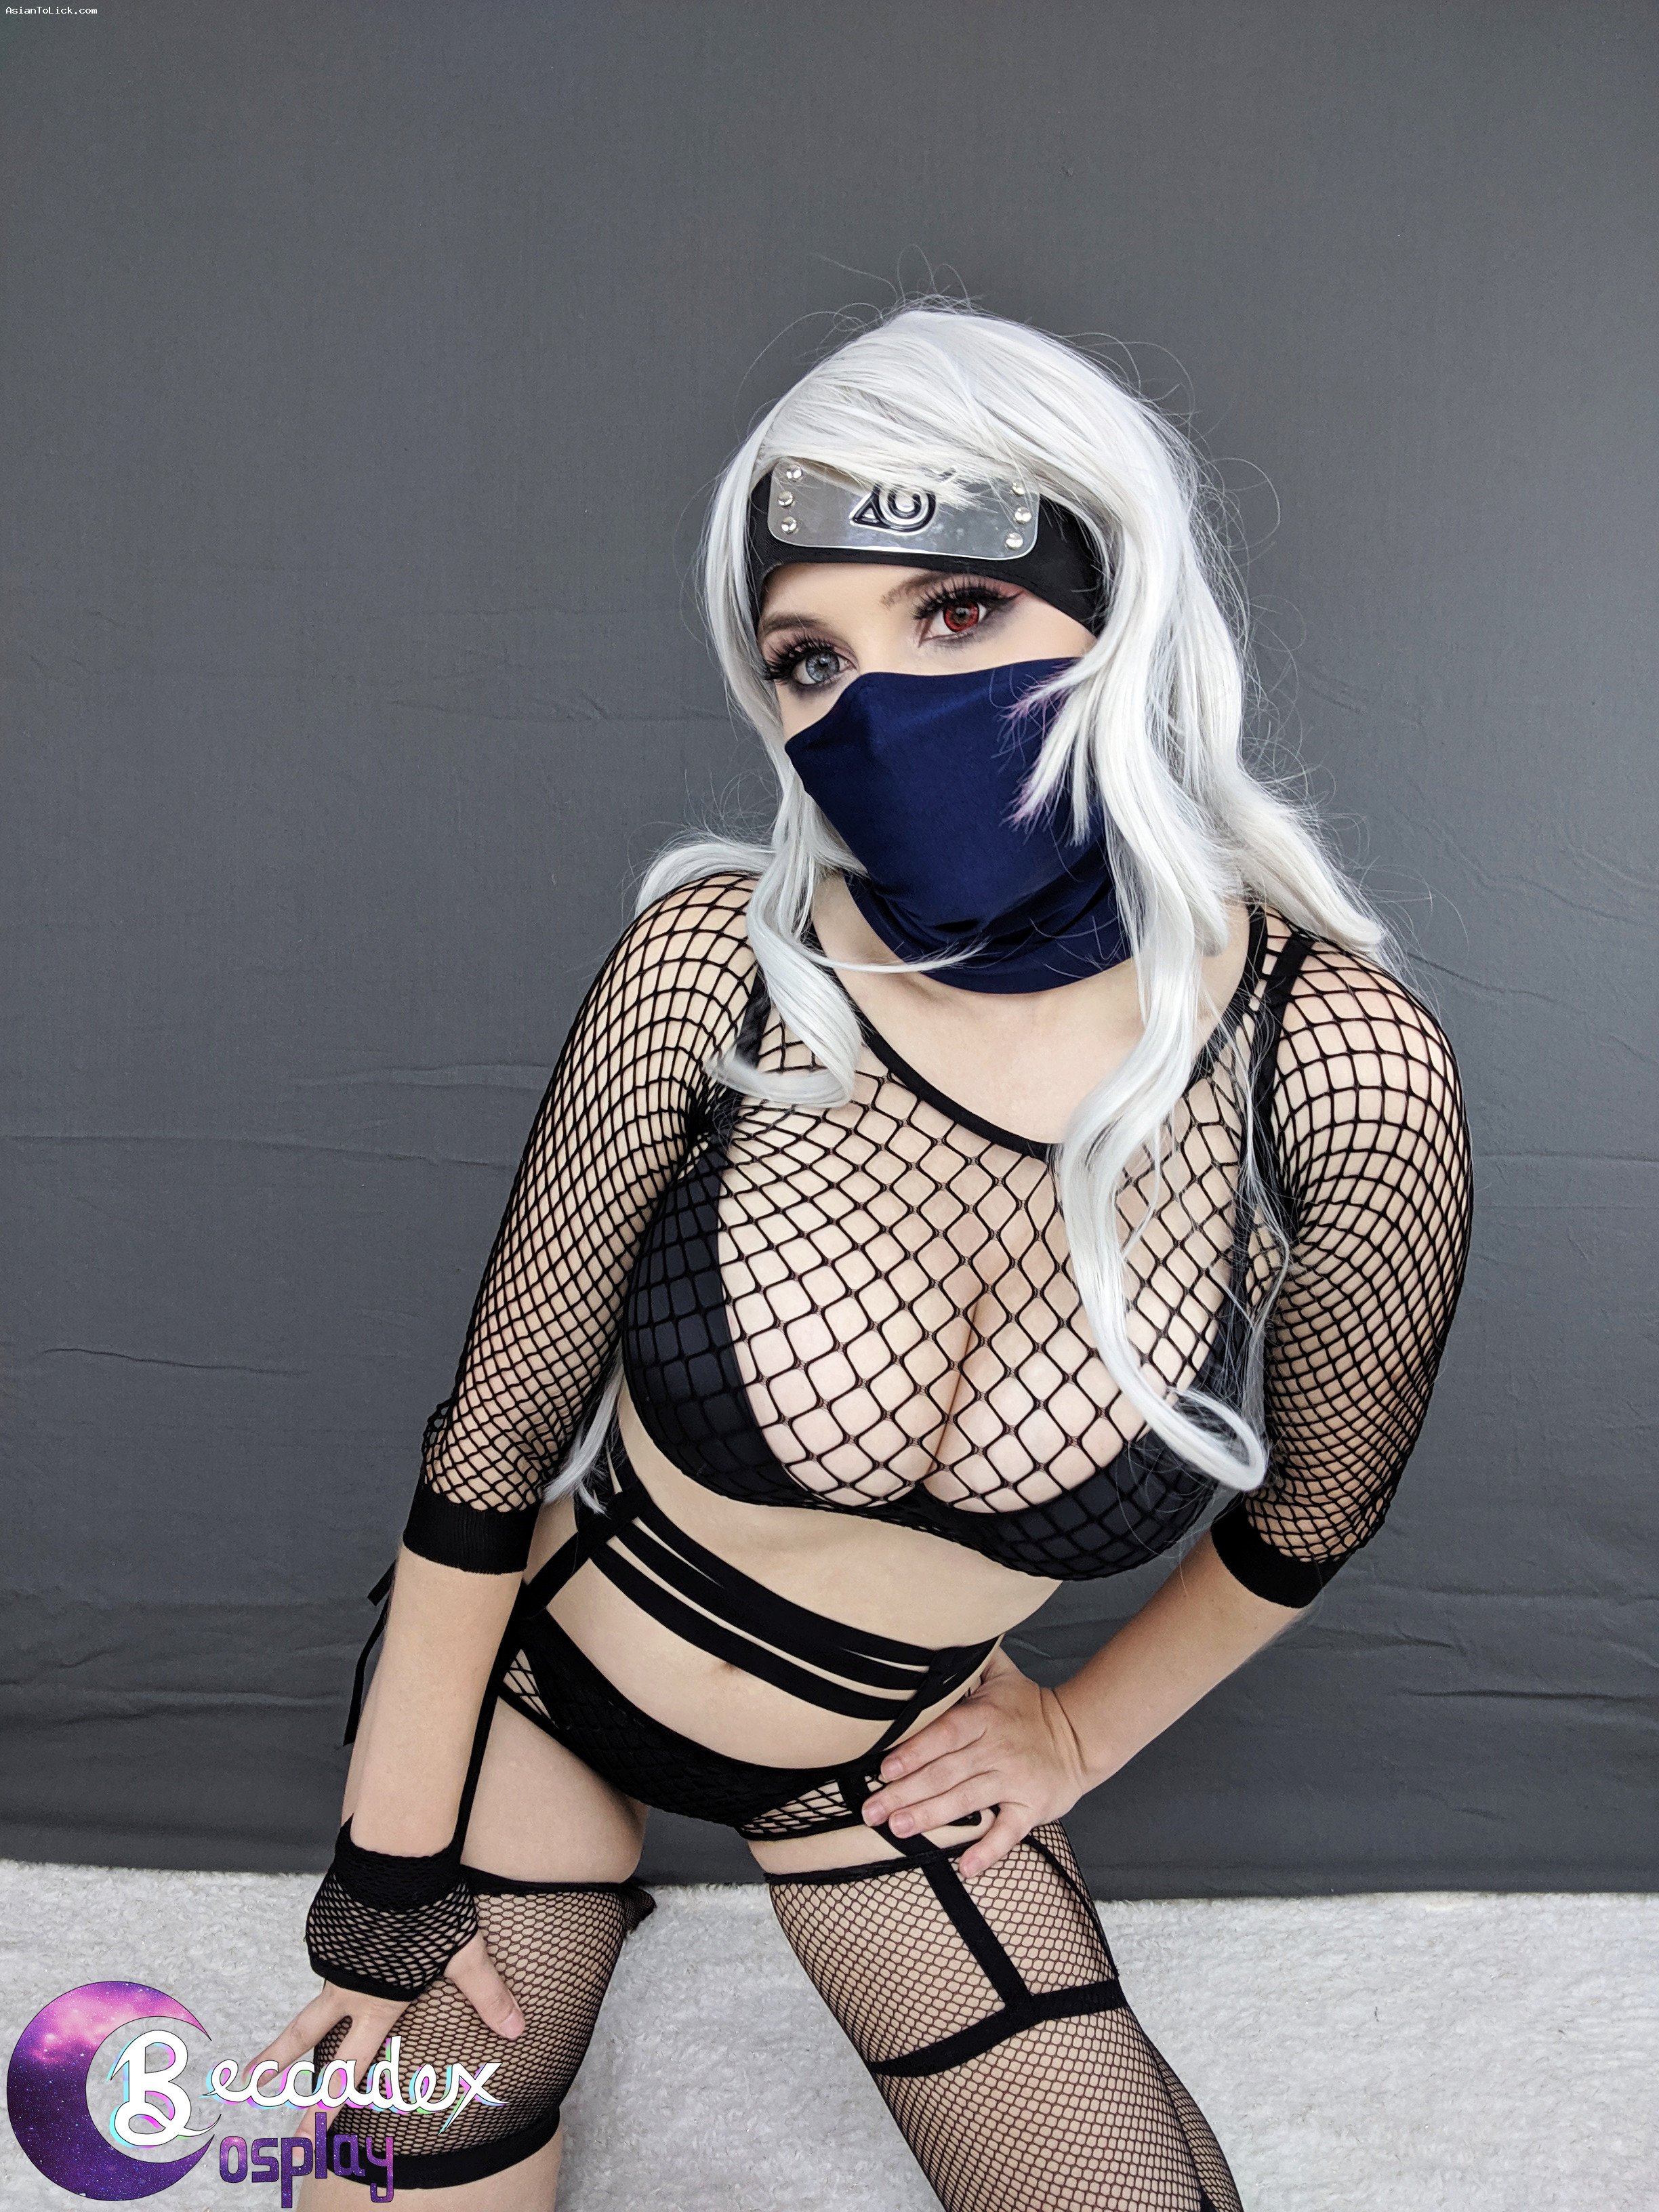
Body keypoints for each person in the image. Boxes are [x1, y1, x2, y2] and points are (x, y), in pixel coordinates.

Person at [251, 304, 1473, 2211]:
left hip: (877, 1764)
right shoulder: (715, 969)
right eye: (811, 658)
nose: (879, 706)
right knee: (402, 2154)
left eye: (959, 613)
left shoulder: (1332, 1068)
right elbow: (485, 1461)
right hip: (538, 1696)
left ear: (1119, 602)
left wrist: (1076, 1732)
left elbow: (1321, 1507)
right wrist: (382, 1886)